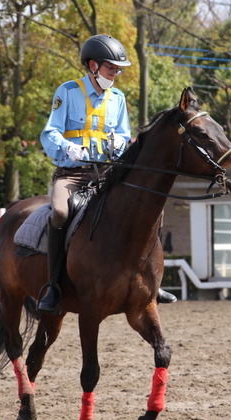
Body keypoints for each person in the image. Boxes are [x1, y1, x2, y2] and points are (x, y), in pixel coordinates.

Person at [38, 34, 175, 315]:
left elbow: (124, 135)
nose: (116, 74)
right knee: (61, 213)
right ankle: (53, 286)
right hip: (72, 174)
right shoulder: (67, 92)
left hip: (107, 175)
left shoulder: (118, 98)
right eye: (111, 68)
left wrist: (120, 144)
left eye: (117, 69)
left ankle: (152, 282)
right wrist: (66, 147)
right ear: (92, 66)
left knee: (150, 210)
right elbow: (49, 132)